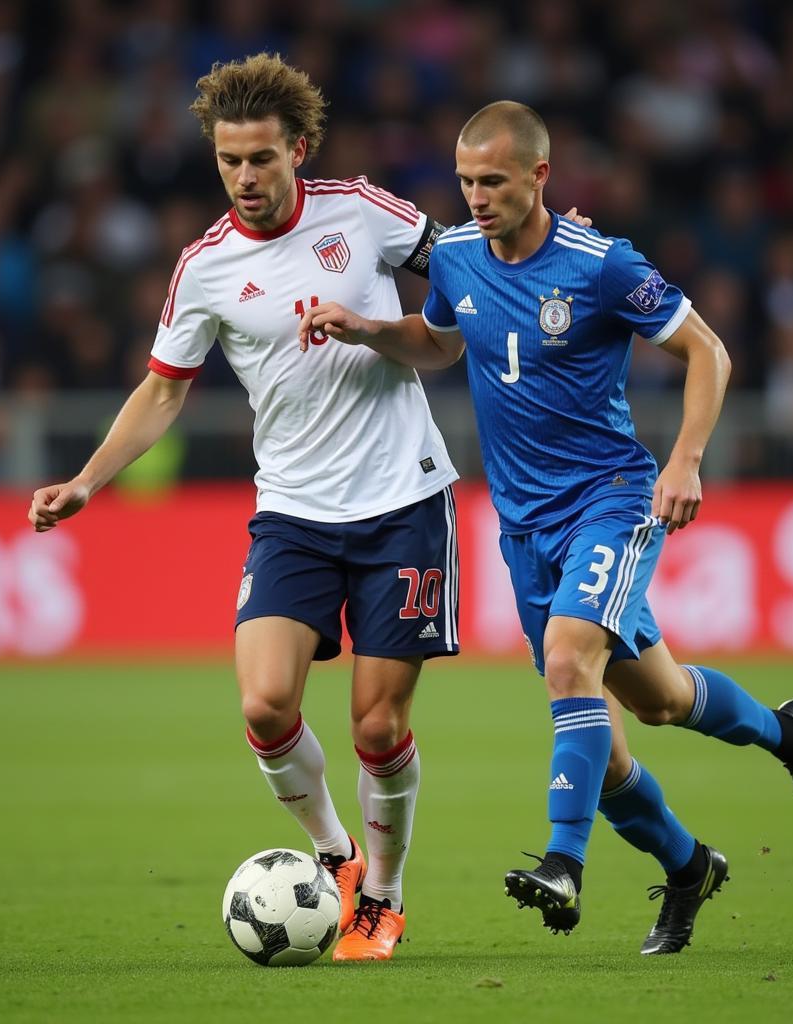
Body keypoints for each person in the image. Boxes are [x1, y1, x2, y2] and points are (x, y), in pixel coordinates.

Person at [298, 100, 793, 955]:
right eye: (465, 182)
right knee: (653, 708)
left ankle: (564, 862)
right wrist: (370, 330)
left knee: (570, 666)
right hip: (525, 530)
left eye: (493, 181)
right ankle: (730, 811)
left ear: (539, 176)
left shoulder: (601, 264)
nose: (476, 197)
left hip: (611, 497)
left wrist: (686, 459)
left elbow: (709, 350)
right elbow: (445, 343)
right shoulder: (452, 259)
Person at [27, 53, 466, 963]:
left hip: (402, 500)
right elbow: (162, 391)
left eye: (261, 159)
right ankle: (337, 859)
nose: (245, 178)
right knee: (266, 706)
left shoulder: (365, 214)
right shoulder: (207, 268)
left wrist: (535, 245)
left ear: (297, 150)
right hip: (295, 512)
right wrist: (87, 480)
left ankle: (381, 899)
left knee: (377, 727)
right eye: (229, 162)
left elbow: (473, 274)